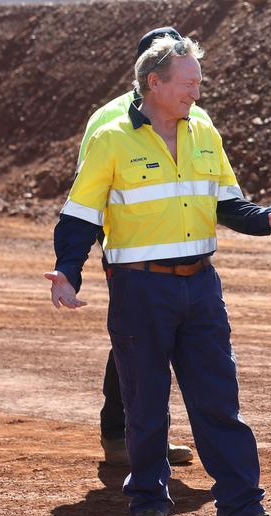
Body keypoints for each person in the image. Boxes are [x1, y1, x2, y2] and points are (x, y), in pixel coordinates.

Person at [45, 35, 271, 516]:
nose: (197, 90)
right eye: (188, 81)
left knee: (218, 401)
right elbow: (79, 218)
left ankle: (240, 506)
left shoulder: (205, 130)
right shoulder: (111, 139)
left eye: (198, 81)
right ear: (155, 82)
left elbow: (228, 204)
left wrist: (267, 219)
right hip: (139, 289)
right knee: (144, 404)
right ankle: (148, 503)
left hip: (201, 286)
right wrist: (68, 270)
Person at [78, 26, 199, 468]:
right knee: (133, 344)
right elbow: (87, 192)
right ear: (150, 71)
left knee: (154, 343)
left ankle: (145, 436)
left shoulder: (191, 113)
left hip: (180, 253)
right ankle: (118, 433)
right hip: (131, 254)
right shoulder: (108, 119)